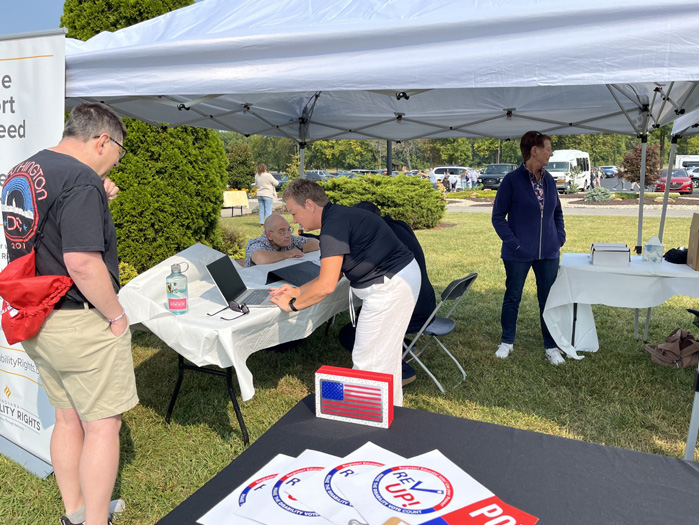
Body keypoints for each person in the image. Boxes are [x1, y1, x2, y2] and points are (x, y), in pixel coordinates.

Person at [1, 103, 138, 525]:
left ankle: (76, 513)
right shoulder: (80, 180)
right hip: (77, 319)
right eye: (118, 153)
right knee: (102, 425)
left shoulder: (24, 169)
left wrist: (99, 192)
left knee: (66, 417)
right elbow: (80, 261)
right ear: (102, 140)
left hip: (37, 315)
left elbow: (50, 232)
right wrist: (115, 314)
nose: (116, 162)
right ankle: (97, 522)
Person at [269, 179, 421, 406]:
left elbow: (327, 286)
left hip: (388, 288)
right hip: (399, 279)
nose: (295, 220)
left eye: (294, 212)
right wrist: (298, 290)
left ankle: (368, 419)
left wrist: (292, 305)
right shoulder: (339, 216)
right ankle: (389, 412)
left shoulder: (332, 229)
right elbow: (335, 273)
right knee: (383, 358)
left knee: (367, 361)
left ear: (309, 205)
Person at [338, 201, 437, 386]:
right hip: (427, 305)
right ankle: (406, 348)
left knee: (350, 333)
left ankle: (402, 372)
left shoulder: (377, 237)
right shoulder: (400, 226)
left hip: (410, 310)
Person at [491, 131, 567, 365]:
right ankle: (507, 341)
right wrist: (515, 243)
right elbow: (497, 217)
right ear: (534, 151)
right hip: (518, 254)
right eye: (548, 148)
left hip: (549, 253)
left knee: (548, 299)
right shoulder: (511, 181)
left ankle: (551, 346)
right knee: (513, 296)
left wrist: (559, 237)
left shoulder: (550, 180)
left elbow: (557, 212)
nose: (551, 153)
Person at [244, 213, 320, 267]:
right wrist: (290, 253)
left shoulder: (289, 239)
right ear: (269, 235)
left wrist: (299, 248)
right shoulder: (255, 243)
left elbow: (316, 243)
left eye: (289, 229)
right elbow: (261, 259)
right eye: (282, 232)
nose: (288, 235)